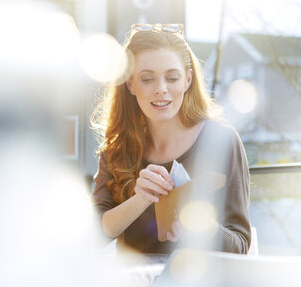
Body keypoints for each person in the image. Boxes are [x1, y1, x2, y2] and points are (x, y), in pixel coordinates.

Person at [91, 23, 251, 255]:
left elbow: (240, 247)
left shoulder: (222, 141)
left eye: (172, 78)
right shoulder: (117, 147)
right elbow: (95, 234)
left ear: (187, 80)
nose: (161, 89)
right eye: (147, 79)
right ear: (130, 84)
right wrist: (141, 198)